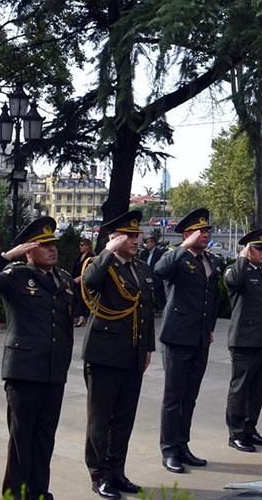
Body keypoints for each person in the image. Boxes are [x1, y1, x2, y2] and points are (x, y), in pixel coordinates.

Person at [0, 217, 74, 500]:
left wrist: (64, 364)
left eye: (54, 244)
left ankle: (40, 492)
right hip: (24, 373)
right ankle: (15, 495)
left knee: (44, 439)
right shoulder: (15, 275)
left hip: (53, 372)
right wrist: (6, 256)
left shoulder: (63, 279)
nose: (52, 249)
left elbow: (64, 327)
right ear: (28, 250)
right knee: (21, 440)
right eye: (44, 245)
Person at [80, 210, 156, 499]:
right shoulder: (103, 265)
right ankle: (99, 474)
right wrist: (107, 252)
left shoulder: (140, 269)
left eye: (137, 235)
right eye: (129, 235)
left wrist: (148, 348)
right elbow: (89, 283)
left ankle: (117, 470)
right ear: (114, 238)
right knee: (100, 420)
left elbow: (146, 311)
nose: (136, 240)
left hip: (133, 354)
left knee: (124, 418)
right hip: (104, 354)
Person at [155, 207, 222, 473]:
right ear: (186, 234)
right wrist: (184, 246)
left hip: (200, 337)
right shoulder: (176, 258)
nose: (205, 235)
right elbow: (159, 271)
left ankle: (183, 445)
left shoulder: (209, 260)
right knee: (173, 396)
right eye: (199, 231)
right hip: (177, 336)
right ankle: (169, 449)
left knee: (189, 397)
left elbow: (213, 299)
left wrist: (210, 327)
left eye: (206, 231)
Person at [224, 229, 262, 453]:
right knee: (240, 389)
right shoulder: (237, 270)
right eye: (259, 248)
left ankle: (250, 428)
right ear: (248, 249)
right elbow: (232, 282)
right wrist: (242, 258)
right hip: (244, 340)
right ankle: (235, 433)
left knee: (258, 389)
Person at [139, 231, 167, 313]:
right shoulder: (147, 253)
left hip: (156, 278)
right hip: (149, 278)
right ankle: (156, 306)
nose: (146, 245)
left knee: (158, 294)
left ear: (153, 243)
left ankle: (160, 307)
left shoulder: (158, 253)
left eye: (148, 242)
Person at [71, 238, 96, 326]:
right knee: (78, 298)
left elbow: (90, 270)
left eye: (82, 245)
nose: (80, 247)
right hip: (77, 281)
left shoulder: (91, 257)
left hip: (85, 281)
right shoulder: (80, 256)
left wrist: (80, 278)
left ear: (87, 246)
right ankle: (81, 317)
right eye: (80, 245)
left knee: (82, 298)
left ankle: (82, 319)